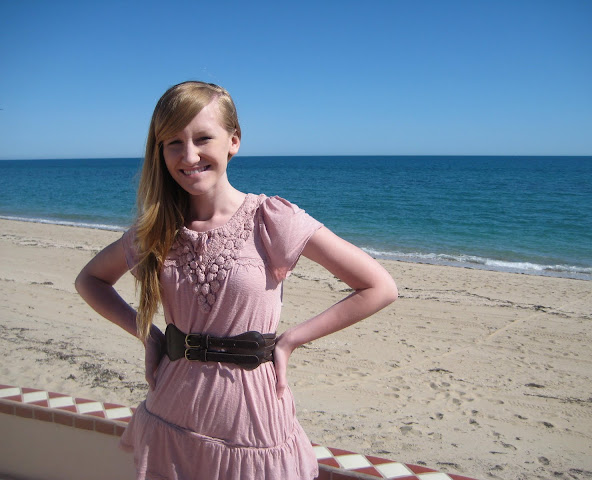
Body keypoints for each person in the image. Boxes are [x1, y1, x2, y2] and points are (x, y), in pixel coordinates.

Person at [75, 80, 397, 480]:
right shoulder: (156, 229)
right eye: (174, 142)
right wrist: (149, 335)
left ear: (234, 140)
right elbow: (90, 280)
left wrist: (291, 340)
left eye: (203, 138)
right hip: (171, 414)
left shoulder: (271, 219)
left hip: (253, 421)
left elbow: (379, 287)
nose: (189, 155)